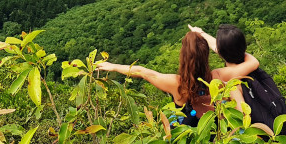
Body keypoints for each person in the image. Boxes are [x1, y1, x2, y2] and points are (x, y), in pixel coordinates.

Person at [96, 31, 259, 126]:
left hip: (187, 132)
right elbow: (253, 62)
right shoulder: (220, 76)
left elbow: (142, 72)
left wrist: (113, 66)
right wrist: (219, 48)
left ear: (183, 56)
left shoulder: (176, 84)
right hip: (213, 131)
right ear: (207, 55)